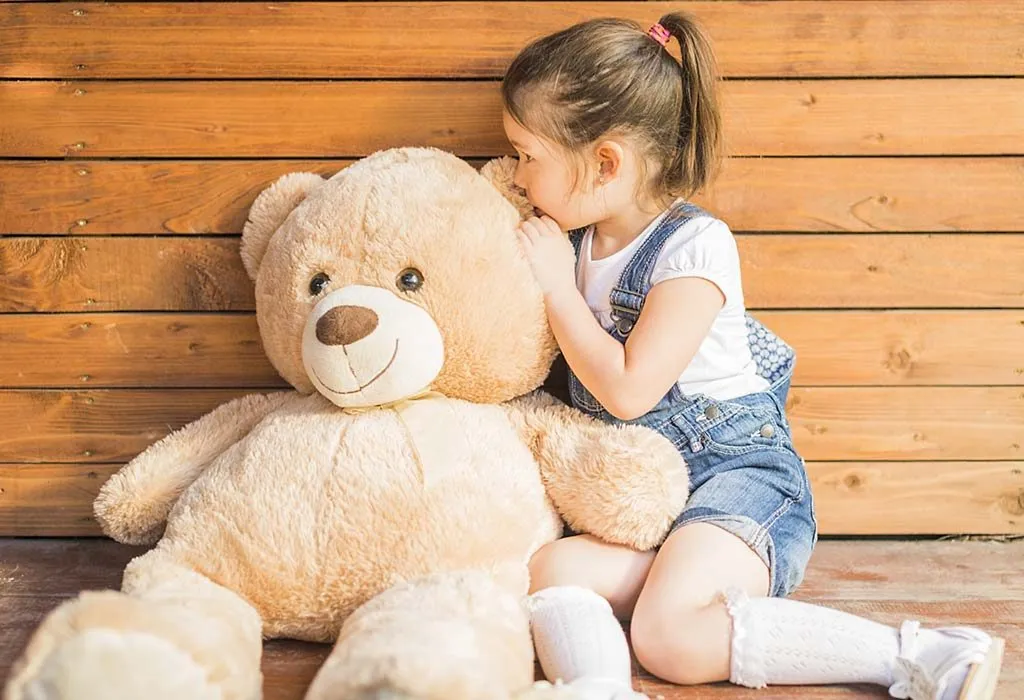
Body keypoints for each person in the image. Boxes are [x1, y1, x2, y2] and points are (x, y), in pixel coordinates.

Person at [504, 13, 1004, 700]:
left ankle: (918, 655)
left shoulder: (693, 249)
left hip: (739, 480)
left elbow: (627, 392)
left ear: (606, 163)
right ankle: (597, 688)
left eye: (527, 154)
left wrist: (557, 289)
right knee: (550, 568)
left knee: (667, 638)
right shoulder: (581, 241)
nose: (516, 172)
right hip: (653, 499)